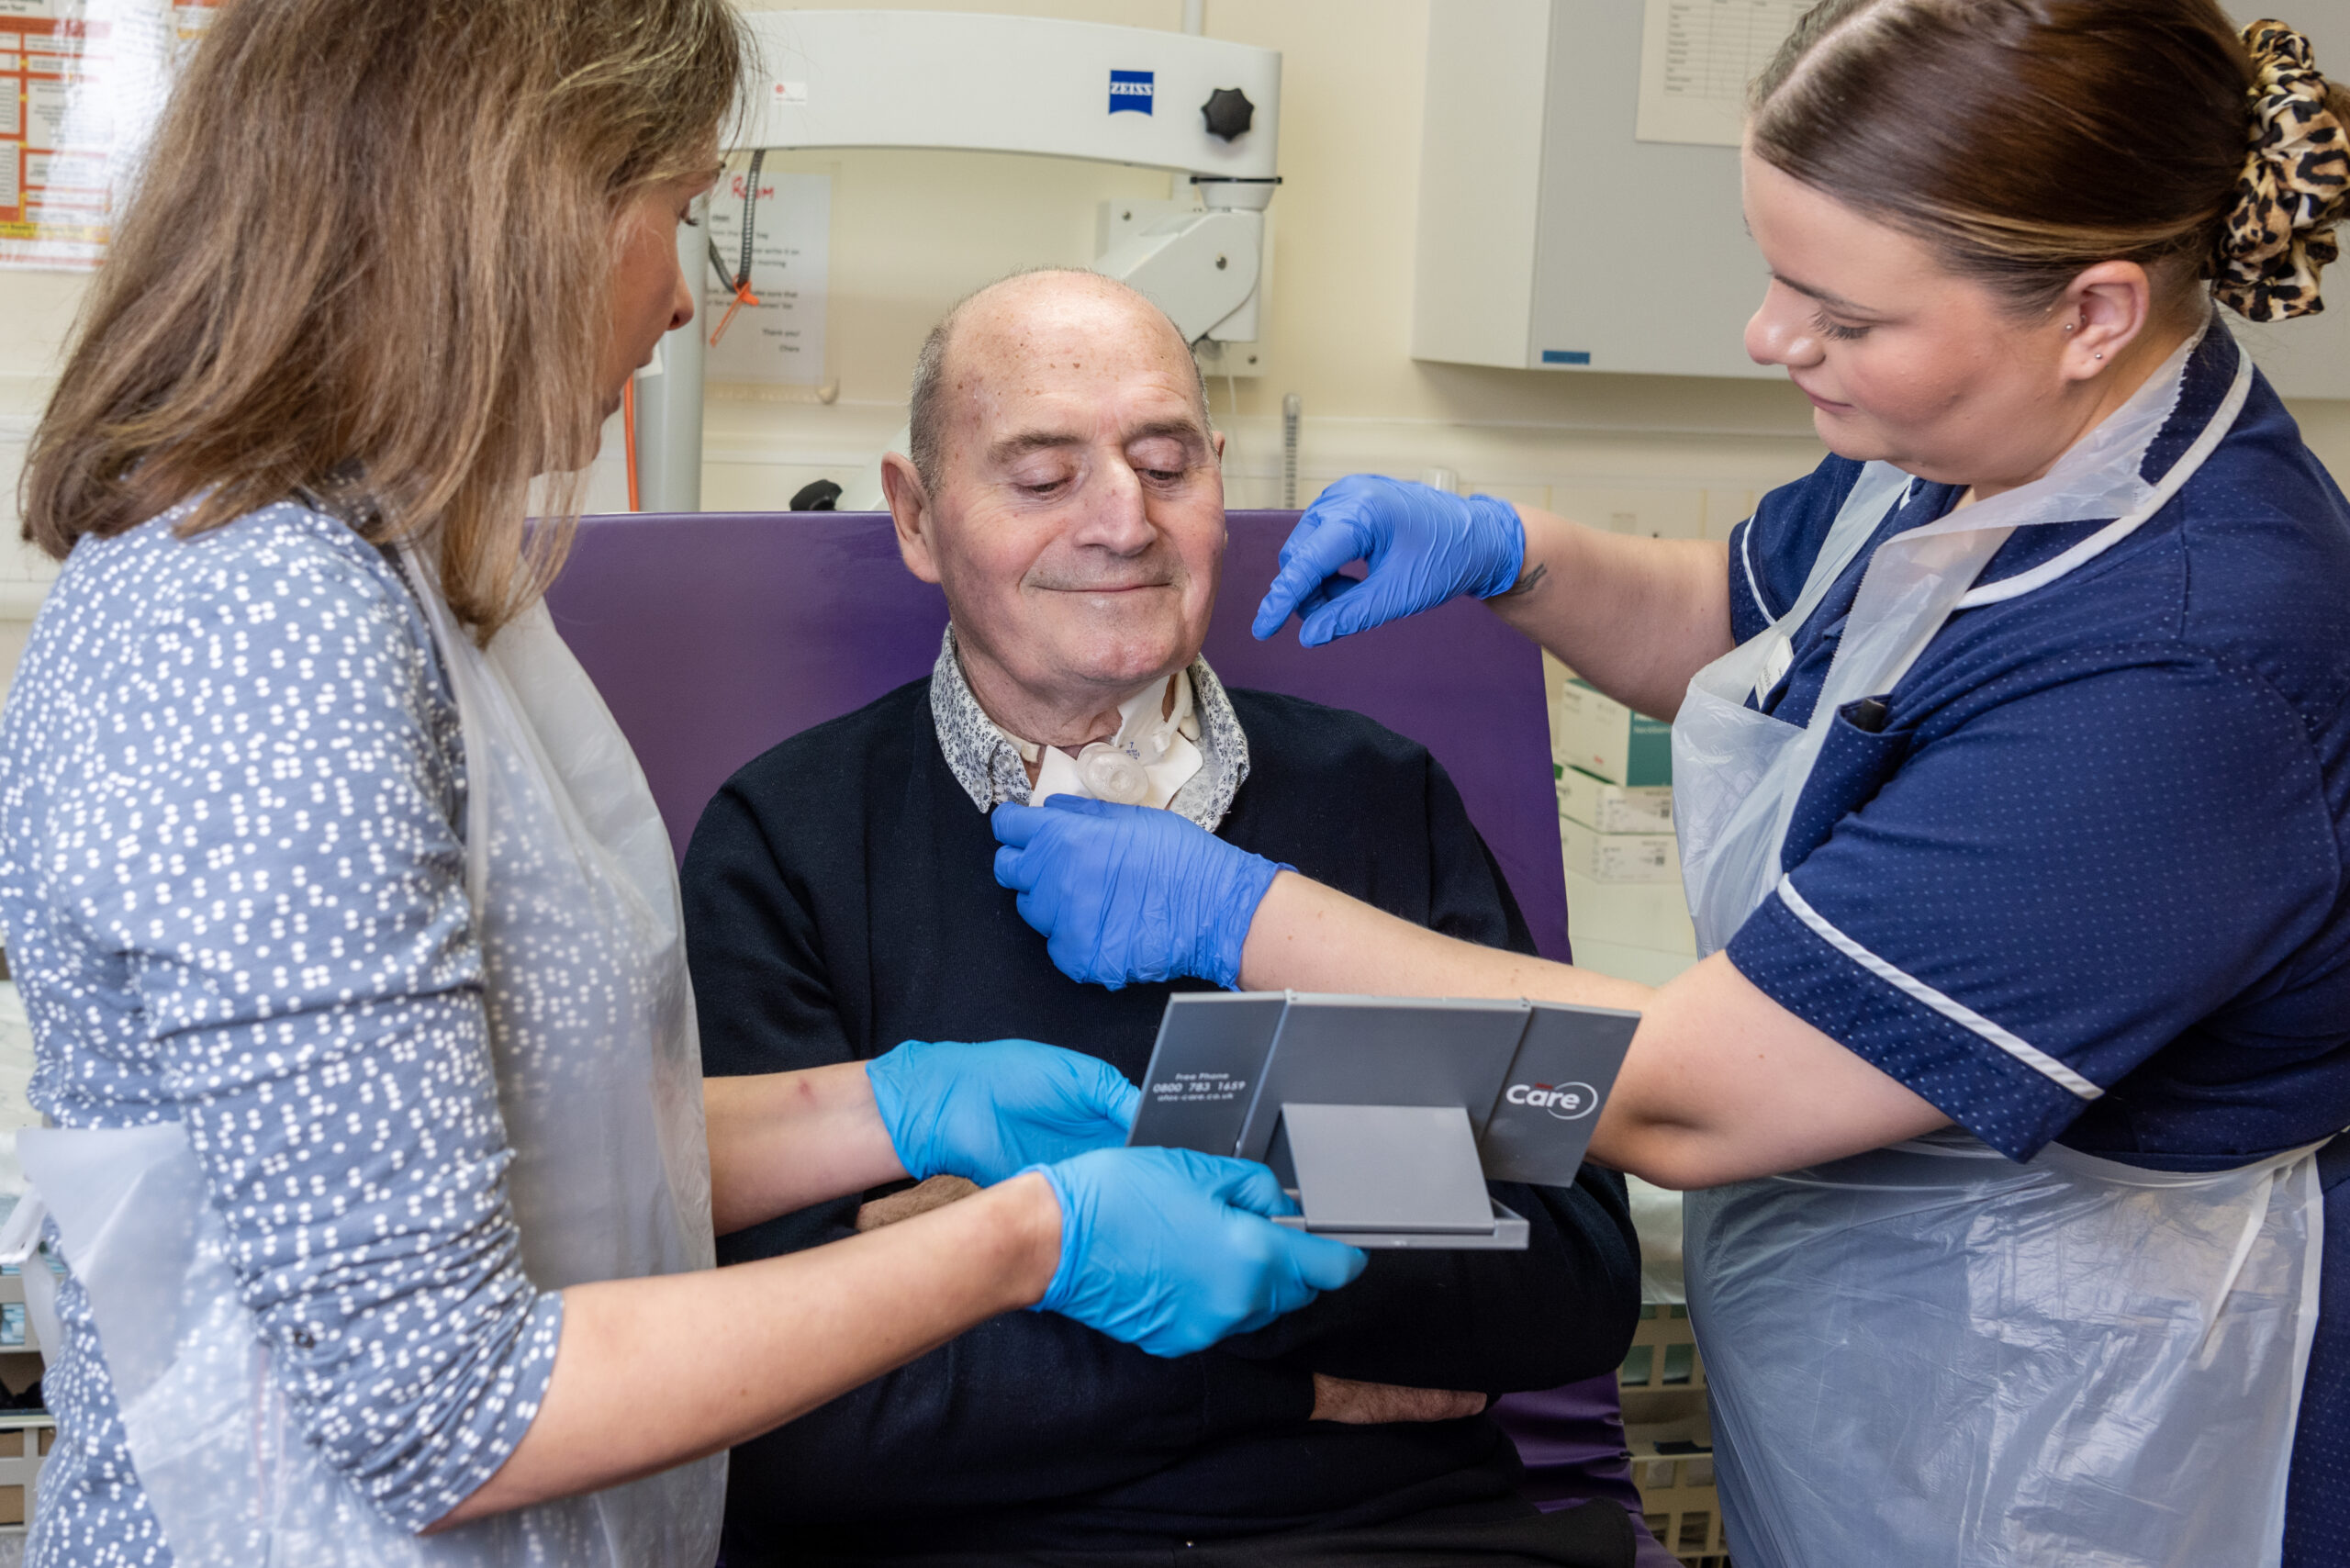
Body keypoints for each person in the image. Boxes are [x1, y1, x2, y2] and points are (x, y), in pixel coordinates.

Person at [986, 6, 2350, 1567]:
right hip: (1890, 1352)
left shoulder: (2190, 673)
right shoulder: (1991, 431)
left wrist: (1234, 915)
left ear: (2096, 310)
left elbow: (1690, 1100)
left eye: (1838, 312)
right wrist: (1517, 552)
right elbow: (1762, 622)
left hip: (2100, 1415)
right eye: (1774, 275)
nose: (1773, 340)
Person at [0, 6, 1364, 1565]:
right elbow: (442, 1411)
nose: (677, 293)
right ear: (525, 204)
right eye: (679, 214)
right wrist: (1027, 1243)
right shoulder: (257, 631)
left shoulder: (403, 583)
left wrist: (897, 1108)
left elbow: (514, 1136)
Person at [681, 268, 1642, 1568]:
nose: (1123, 521)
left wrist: (975, 1240)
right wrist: (1297, 1368)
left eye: (1166, 463)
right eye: (1041, 476)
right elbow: (799, 1409)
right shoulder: (788, 843)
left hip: (1396, 1537)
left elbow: (1571, 1279)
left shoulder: (1380, 797)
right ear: (916, 517)